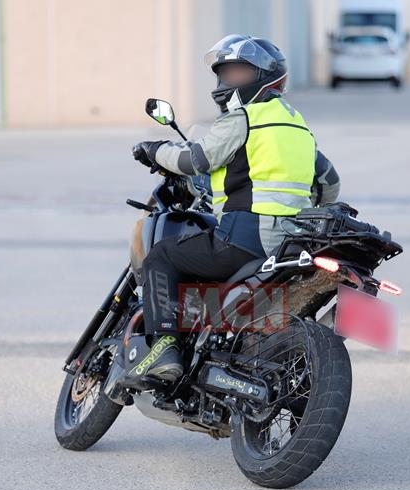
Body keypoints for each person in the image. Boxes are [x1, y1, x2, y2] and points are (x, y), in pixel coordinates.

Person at [126, 34, 341, 384]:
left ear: (262, 78)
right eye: (224, 73)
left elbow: (196, 158)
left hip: (245, 240)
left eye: (238, 73)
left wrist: (155, 150)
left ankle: (164, 347)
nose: (227, 81)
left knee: (162, 257)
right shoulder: (298, 126)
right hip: (292, 245)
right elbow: (330, 182)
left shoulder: (245, 117)